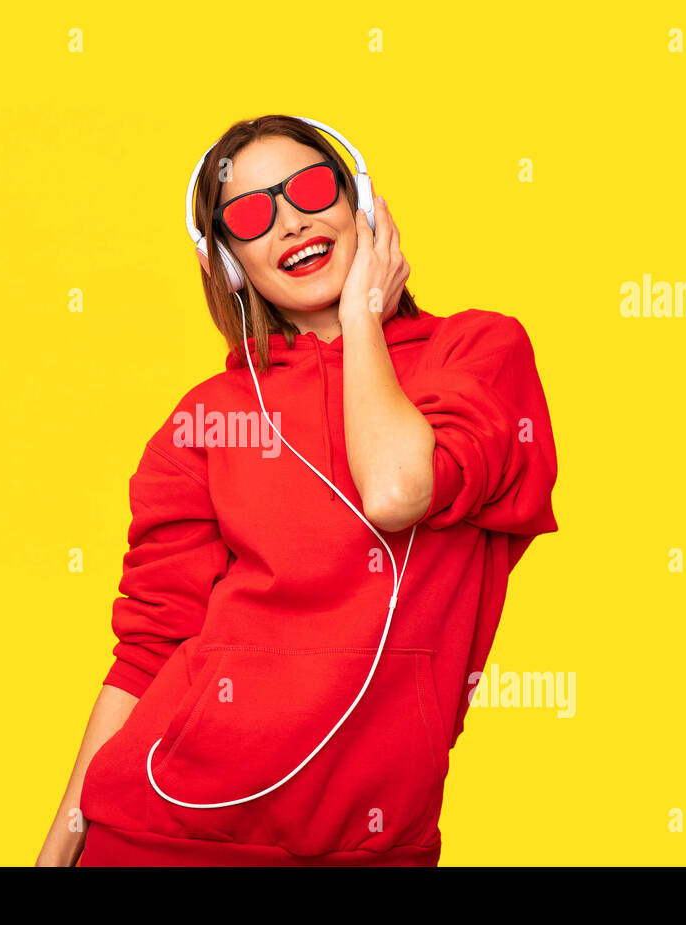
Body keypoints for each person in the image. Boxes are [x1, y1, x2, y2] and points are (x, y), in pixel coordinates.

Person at [37, 114, 558, 866]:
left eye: (310, 190)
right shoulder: (205, 421)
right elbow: (148, 652)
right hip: (162, 831)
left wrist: (361, 321)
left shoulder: (475, 353)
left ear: (362, 207)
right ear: (231, 260)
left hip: (371, 843)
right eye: (251, 215)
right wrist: (60, 849)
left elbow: (397, 489)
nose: (289, 221)